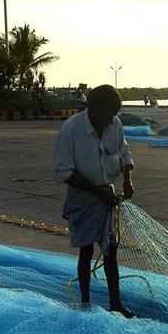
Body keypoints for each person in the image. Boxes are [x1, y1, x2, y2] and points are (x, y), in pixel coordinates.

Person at [52, 84, 136, 318]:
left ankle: (116, 304)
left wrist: (127, 179)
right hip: (82, 197)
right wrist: (98, 193)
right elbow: (64, 172)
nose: (111, 120)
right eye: (107, 115)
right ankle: (86, 304)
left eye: (113, 115)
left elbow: (124, 153)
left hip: (107, 195)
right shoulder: (71, 129)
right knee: (86, 251)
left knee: (111, 251)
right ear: (93, 109)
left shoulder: (114, 124)